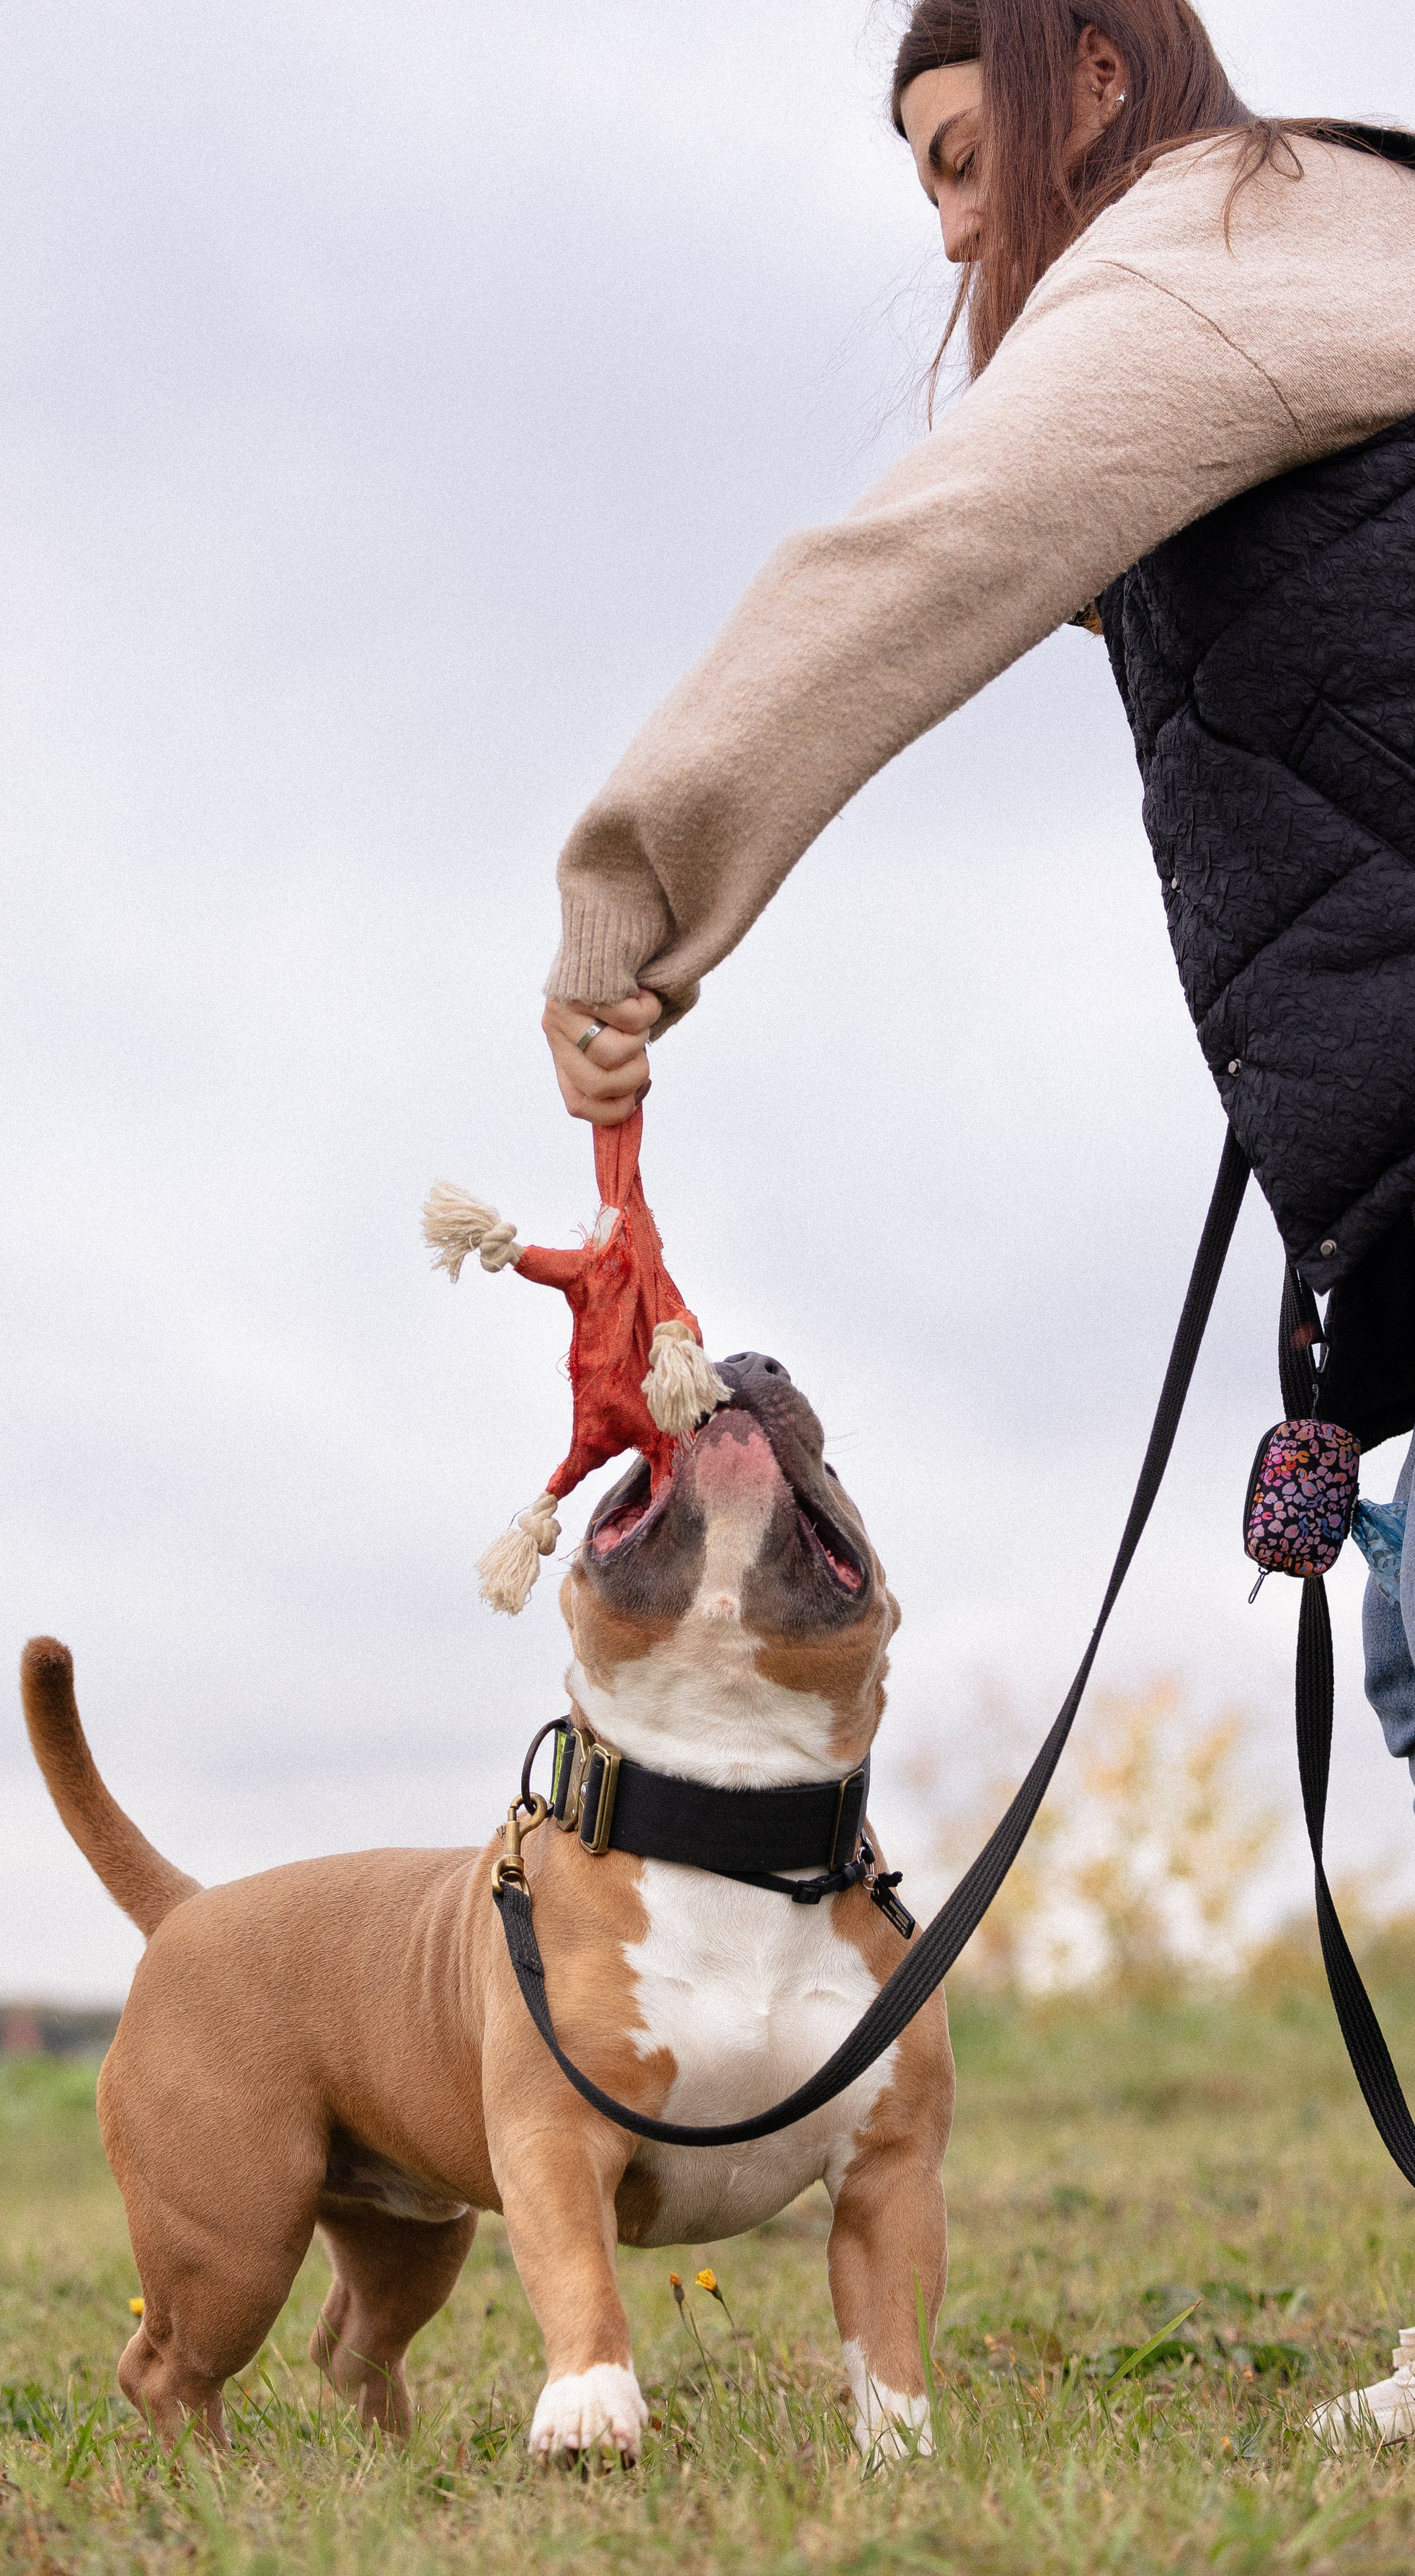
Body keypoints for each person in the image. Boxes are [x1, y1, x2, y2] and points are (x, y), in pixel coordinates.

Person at [538, 0, 1415, 2440]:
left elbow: (922, 557)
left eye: (963, 158)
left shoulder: (1215, 254)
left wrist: (632, 905)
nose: (948, 224)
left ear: (1102, 93)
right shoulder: (1343, 267)